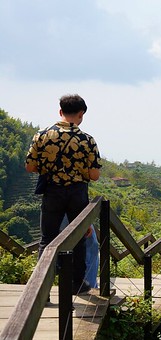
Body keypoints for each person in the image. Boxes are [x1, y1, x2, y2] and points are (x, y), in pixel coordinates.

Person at [25, 94, 101, 295]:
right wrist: (78, 171)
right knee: (78, 239)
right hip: (77, 194)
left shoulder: (42, 135)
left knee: (47, 240)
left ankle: (43, 288)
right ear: (81, 114)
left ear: (60, 111)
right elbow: (94, 175)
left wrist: (50, 168)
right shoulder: (87, 140)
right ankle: (77, 285)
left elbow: (30, 166)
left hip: (52, 192)